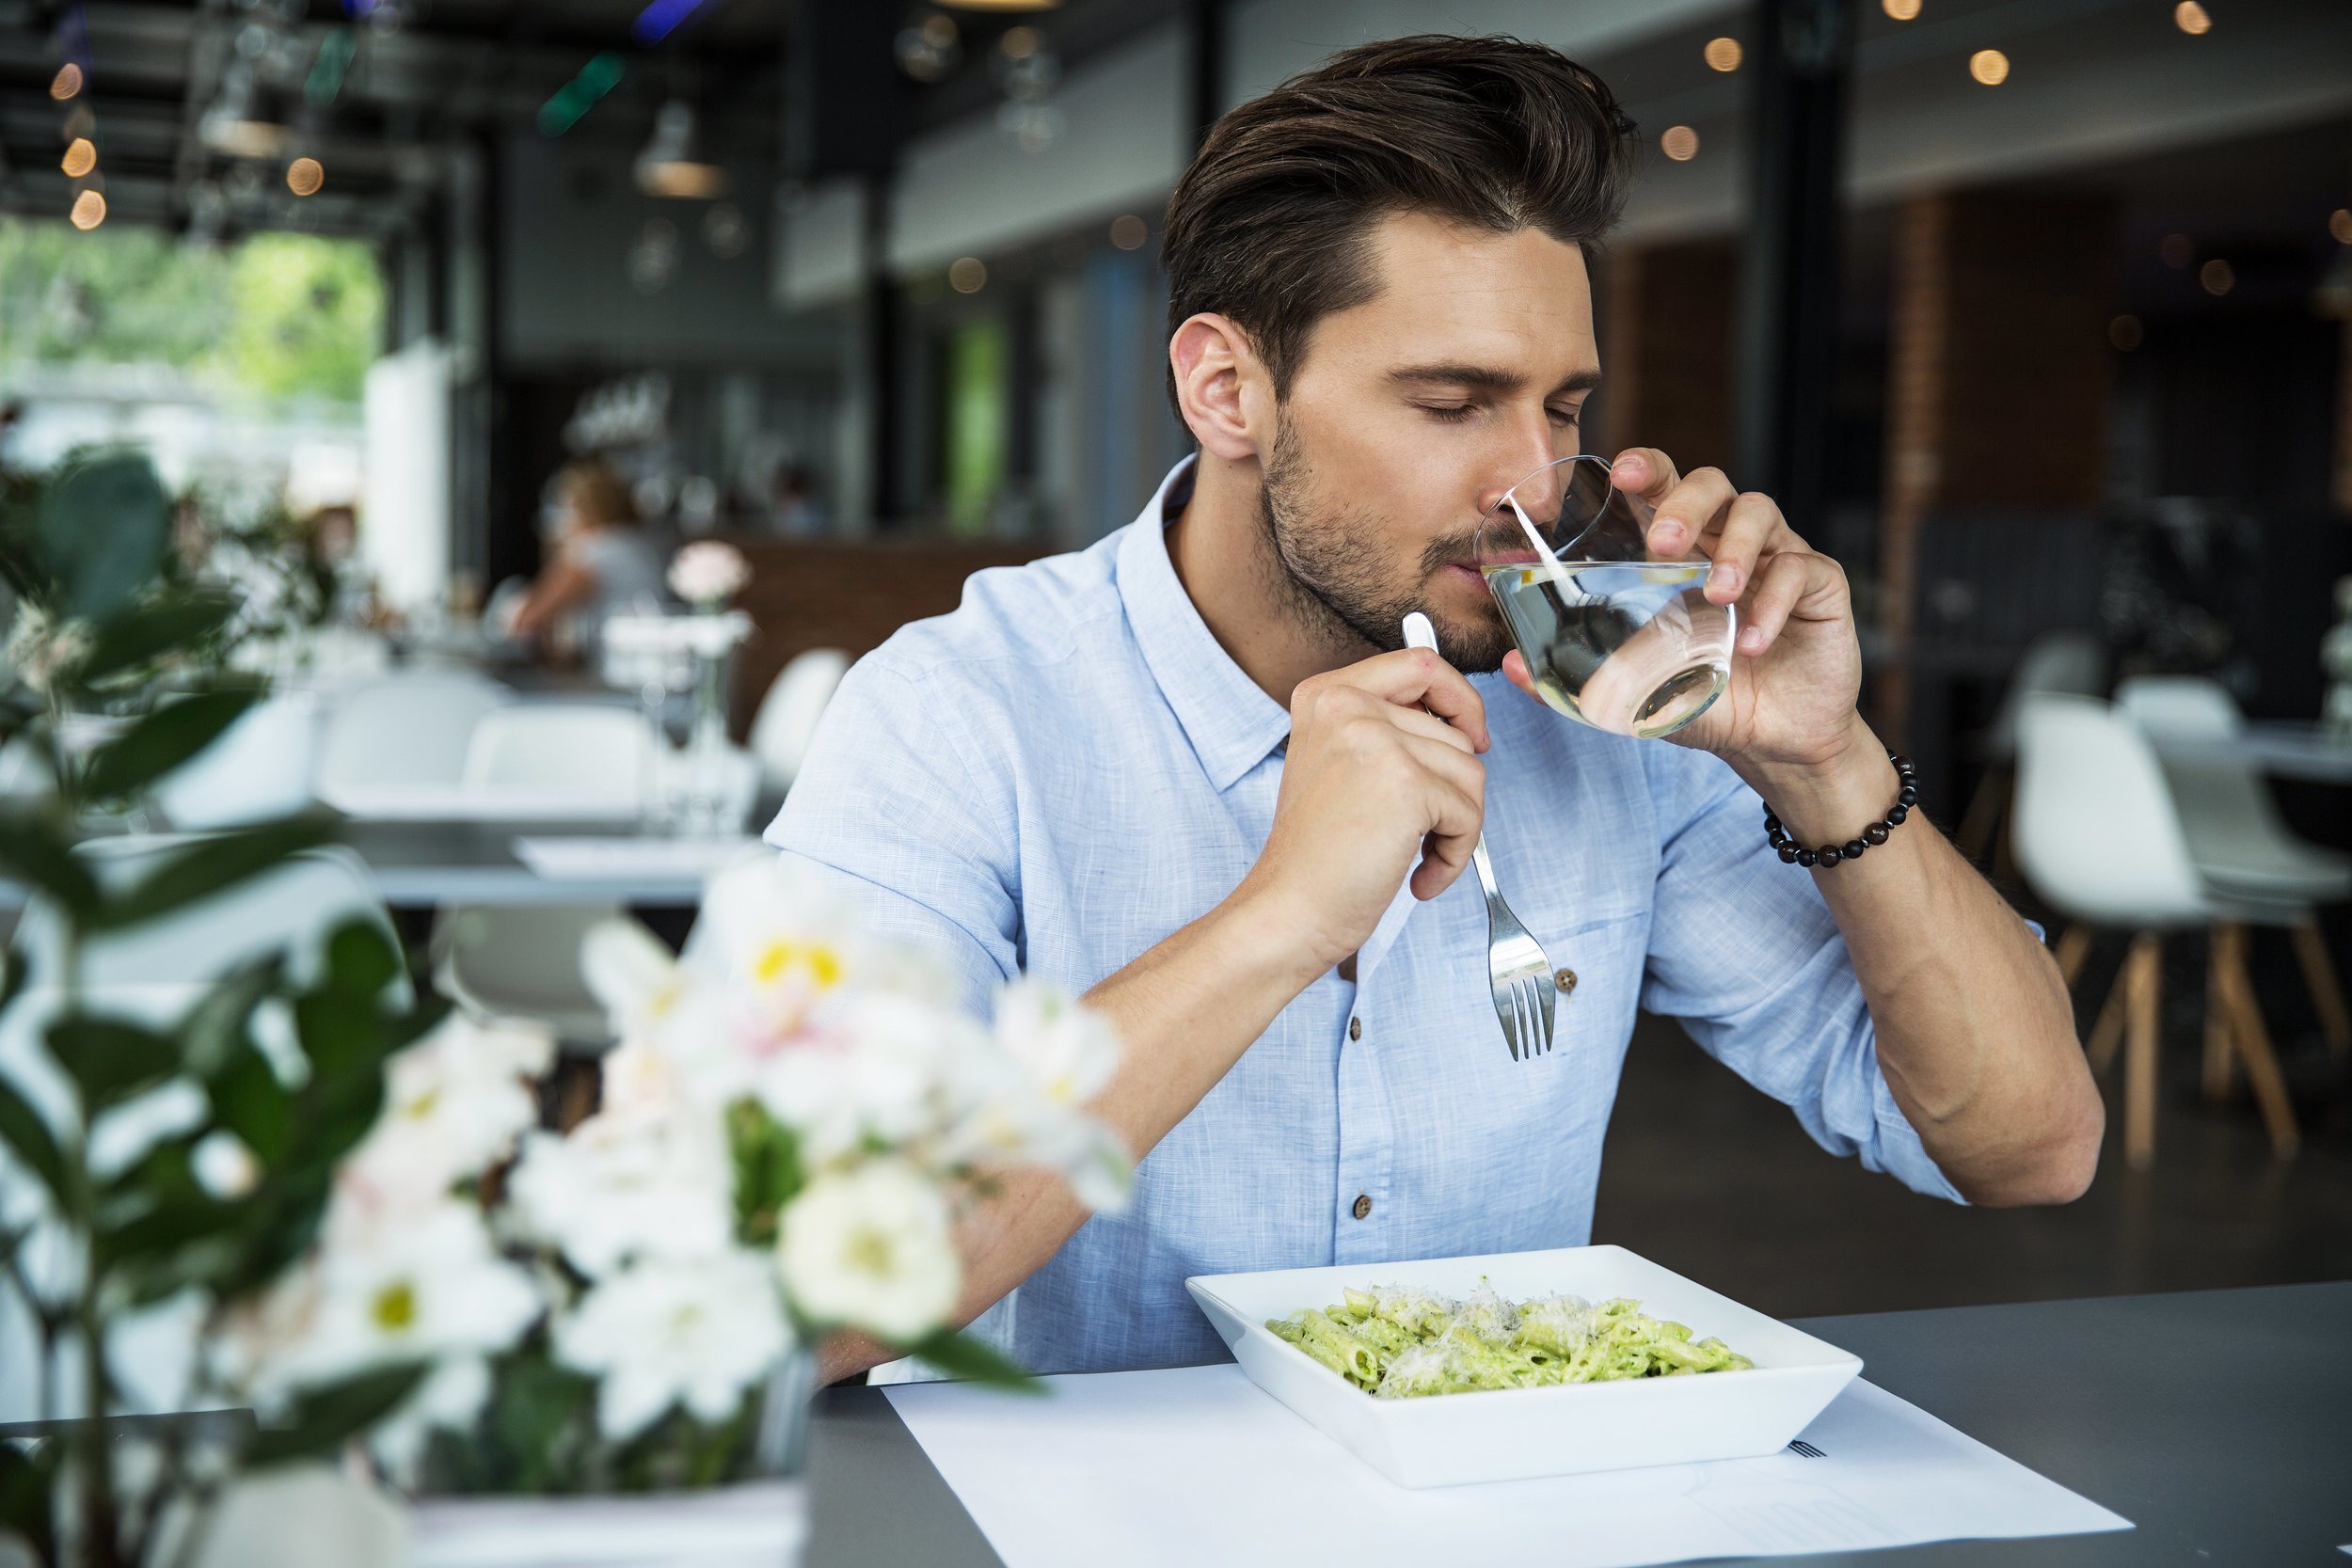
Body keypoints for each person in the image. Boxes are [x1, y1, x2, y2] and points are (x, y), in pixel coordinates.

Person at [770, 36, 2101, 1382]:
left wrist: (1824, 757)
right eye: (1455, 402)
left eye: (1564, 407)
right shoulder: (959, 713)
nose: (1534, 480)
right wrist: (1280, 920)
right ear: (1226, 388)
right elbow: (802, 1292)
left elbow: (2027, 1148)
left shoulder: (1604, 699)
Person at [506, 457, 667, 656]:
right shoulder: (632, 544)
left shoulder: (593, 549)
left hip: (615, 667)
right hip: (645, 660)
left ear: (585, 510)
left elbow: (527, 620)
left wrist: (558, 550)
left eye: (563, 508)